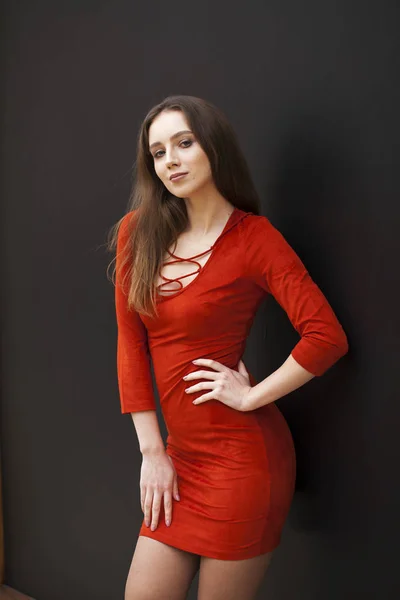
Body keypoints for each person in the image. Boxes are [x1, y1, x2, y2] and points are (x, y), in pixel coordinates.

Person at [108, 95, 349, 600]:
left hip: (244, 465)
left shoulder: (253, 239)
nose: (169, 160)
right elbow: (131, 346)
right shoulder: (138, 234)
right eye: (157, 152)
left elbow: (326, 335)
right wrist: (153, 451)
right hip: (178, 458)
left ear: (212, 147)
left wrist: (251, 397)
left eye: (183, 143)